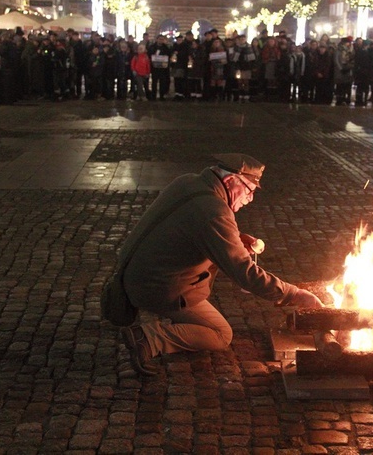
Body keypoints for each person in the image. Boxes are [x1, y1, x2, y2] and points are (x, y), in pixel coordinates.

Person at [116, 153, 324, 375]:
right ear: (230, 180)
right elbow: (244, 273)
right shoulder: (214, 211)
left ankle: (161, 322)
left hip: (136, 272)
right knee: (221, 334)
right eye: (250, 189)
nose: (251, 198)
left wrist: (234, 237)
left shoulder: (188, 182)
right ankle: (148, 339)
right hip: (155, 285)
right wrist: (293, 294)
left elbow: (192, 229)